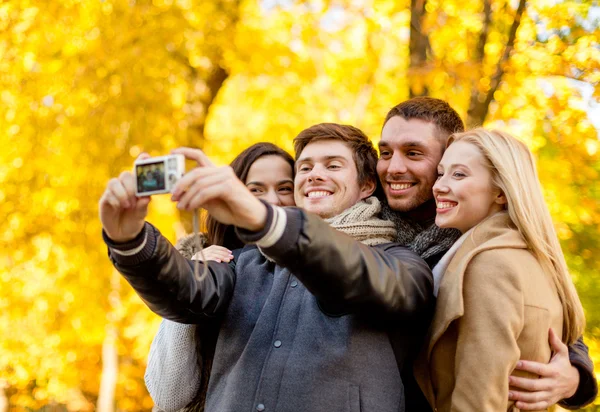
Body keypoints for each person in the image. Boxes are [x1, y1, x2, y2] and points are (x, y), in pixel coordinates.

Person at [99, 123, 434, 412]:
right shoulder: (241, 263)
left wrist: (265, 219)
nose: (315, 174)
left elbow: (352, 275)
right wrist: (129, 239)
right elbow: (183, 290)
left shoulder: (402, 263)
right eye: (304, 168)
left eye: (333, 166)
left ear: (366, 186)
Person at [377, 97, 597, 410]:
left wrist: (575, 375)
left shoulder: (486, 255)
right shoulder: (364, 221)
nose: (394, 167)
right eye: (385, 153)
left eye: (413, 153)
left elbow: (557, 331)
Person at [145, 142, 296, 411]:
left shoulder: (310, 269)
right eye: (255, 190)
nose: (273, 200)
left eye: (285, 188)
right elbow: (169, 396)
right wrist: (189, 285)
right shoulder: (201, 261)